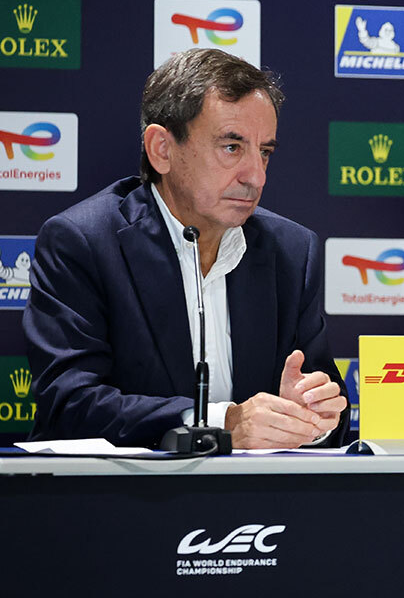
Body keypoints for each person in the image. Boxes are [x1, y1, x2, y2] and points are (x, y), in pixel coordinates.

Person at [23, 48, 348, 449]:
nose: (256, 176)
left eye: (264, 152)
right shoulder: (83, 241)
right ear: (162, 149)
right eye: (232, 147)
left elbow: (330, 406)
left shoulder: (292, 252)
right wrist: (222, 423)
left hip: (258, 488)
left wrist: (310, 416)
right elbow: (69, 403)